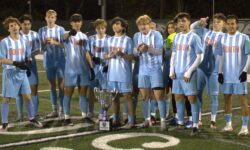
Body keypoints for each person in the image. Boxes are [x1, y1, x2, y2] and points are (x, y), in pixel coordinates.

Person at [0, 16, 43, 132]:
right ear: (8, 29)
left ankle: (32, 118)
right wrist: (16, 63)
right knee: (6, 99)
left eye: (15, 25)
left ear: (19, 26)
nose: (14, 27)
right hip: (10, 73)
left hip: (22, 73)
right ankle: (4, 123)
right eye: (11, 26)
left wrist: (27, 62)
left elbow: (28, 55)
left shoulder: (24, 41)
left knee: (28, 97)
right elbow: (1, 59)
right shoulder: (4, 42)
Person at [170, 12, 203, 136]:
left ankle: (195, 125)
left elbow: (199, 56)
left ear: (189, 22)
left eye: (183, 21)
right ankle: (181, 123)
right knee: (178, 97)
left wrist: (189, 71)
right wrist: (171, 70)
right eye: (179, 21)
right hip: (177, 74)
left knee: (192, 98)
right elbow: (173, 55)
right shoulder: (176, 37)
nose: (181, 23)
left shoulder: (194, 37)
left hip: (189, 74)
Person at [191, 13, 226, 128]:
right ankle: (199, 119)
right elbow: (192, 28)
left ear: (223, 24)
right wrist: (199, 22)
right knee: (198, 94)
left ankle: (213, 121)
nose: (215, 24)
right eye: (214, 21)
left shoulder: (225, 37)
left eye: (219, 22)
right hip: (201, 68)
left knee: (214, 96)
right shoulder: (205, 33)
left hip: (214, 70)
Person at [133, 15, 166, 130]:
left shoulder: (156, 35)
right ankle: (147, 120)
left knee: (159, 97)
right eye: (140, 25)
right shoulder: (137, 36)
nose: (142, 26)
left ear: (149, 24)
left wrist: (148, 49)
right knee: (145, 97)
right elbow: (134, 54)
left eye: (144, 24)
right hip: (143, 70)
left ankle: (163, 121)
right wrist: (138, 50)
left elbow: (160, 51)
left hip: (155, 70)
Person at [219, 15, 250, 136]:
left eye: (233, 24)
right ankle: (228, 125)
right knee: (227, 100)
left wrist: (244, 71)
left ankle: (244, 127)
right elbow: (220, 56)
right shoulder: (223, 38)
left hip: (238, 75)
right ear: (226, 25)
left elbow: (248, 56)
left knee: (243, 101)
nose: (231, 26)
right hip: (227, 75)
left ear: (236, 25)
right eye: (229, 24)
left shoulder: (244, 38)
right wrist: (220, 72)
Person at [62, 14, 95, 126]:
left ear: (81, 23)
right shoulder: (67, 34)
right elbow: (63, 38)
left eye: (79, 21)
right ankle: (66, 117)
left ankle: (84, 116)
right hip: (70, 70)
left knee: (83, 94)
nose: (77, 23)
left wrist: (91, 68)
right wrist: (71, 33)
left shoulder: (85, 37)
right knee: (68, 94)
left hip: (83, 69)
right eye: (74, 21)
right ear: (71, 23)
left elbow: (87, 53)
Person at [105, 17, 135, 129]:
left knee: (127, 97)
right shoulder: (109, 40)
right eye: (113, 24)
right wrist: (109, 56)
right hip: (112, 73)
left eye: (117, 24)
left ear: (123, 27)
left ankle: (131, 121)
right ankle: (116, 119)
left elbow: (132, 56)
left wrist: (122, 54)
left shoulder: (128, 40)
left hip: (124, 73)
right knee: (114, 97)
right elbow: (105, 55)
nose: (115, 26)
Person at [38, 9, 65, 118]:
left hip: (60, 61)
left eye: (52, 17)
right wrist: (44, 44)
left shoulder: (61, 29)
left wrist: (55, 42)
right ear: (45, 18)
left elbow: (64, 46)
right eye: (48, 17)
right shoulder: (41, 30)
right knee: (52, 86)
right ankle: (54, 110)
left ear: (55, 18)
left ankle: (62, 110)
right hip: (48, 61)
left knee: (62, 86)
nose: (50, 19)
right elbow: (41, 49)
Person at [16, 14, 42, 122]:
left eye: (28, 24)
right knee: (18, 92)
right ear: (20, 25)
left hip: (31, 66)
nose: (26, 26)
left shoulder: (35, 35)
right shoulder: (16, 35)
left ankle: (35, 114)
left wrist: (29, 56)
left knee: (34, 90)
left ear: (31, 25)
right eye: (24, 24)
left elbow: (38, 49)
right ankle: (20, 116)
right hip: (19, 66)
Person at [88, 19, 110, 120]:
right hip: (94, 68)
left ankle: (103, 113)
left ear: (105, 29)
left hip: (105, 69)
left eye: (102, 28)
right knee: (92, 91)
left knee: (103, 92)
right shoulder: (91, 39)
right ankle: (90, 111)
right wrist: (91, 63)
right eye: (98, 28)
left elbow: (111, 54)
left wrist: (107, 64)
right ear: (95, 29)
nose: (100, 30)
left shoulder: (110, 39)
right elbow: (87, 53)